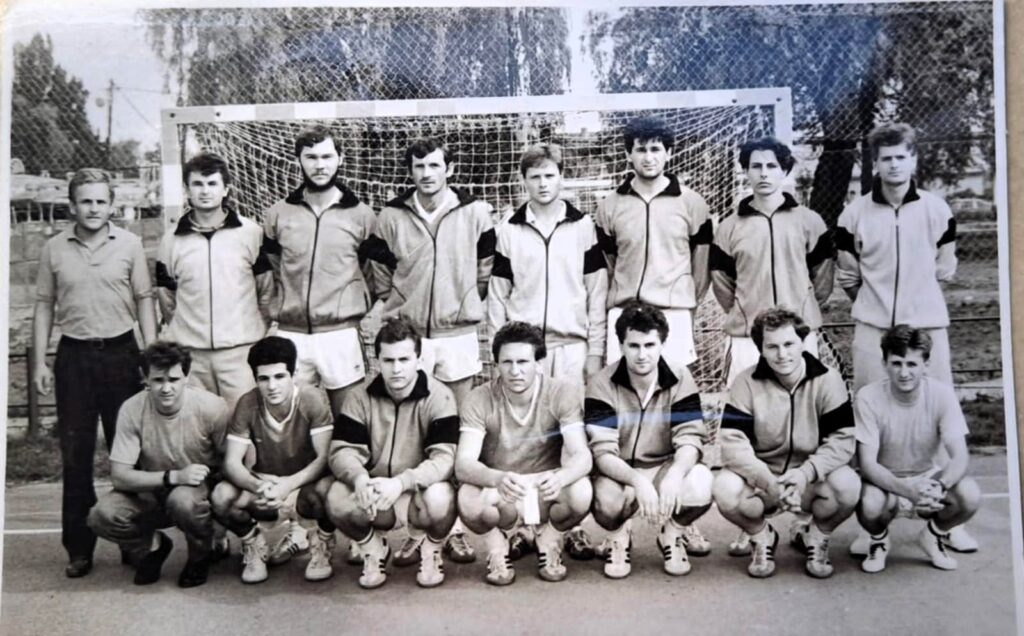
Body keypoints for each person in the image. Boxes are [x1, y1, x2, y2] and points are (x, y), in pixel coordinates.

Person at [836, 122, 977, 552]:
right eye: (886, 159)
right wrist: (877, 309)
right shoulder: (854, 214)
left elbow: (945, 268)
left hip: (927, 327)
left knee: (936, 414)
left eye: (901, 157)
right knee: (869, 417)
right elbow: (848, 275)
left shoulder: (937, 210)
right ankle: (872, 523)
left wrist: (916, 310)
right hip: (873, 329)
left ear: (914, 159)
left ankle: (945, 518)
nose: (894, 165)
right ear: (875, 164)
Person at [367, 136, 496, 564]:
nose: (427, 173)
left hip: (457, 334)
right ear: (410, 171)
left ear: (450, 169)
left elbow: (485, 268)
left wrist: (467, 301)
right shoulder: (391, 215)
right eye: (419, 166)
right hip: (410, 337)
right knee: (415, 431)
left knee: (454, 431)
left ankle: (451, 529)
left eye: (435, 165)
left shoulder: (474, 212)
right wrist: (398, 304)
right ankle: (416, 528)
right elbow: (379, 271)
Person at [33, 167, 158, 578]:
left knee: (130, 455)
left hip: (121, 355)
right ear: (72, 205)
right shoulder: (54, 248)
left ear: (111, 205)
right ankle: (79, 548)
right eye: (85, 201)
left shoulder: (130, 244)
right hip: (74, 358)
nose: (93, 208)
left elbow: (144, 298)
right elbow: (44, 305)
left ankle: (133, 541)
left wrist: (151, 354)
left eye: (101, 201)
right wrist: (40, 361)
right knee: (76, 457)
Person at [487, 143, 607, 561]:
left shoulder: (584, 226)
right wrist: (499, 353)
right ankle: (525, 524)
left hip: (571, 345)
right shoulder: (508, 229)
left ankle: (570, 526)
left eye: (550, 175)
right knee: (526, 438)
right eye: (534, 176)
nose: (542, 183)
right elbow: (497, 296)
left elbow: (597, 292)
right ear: (524, 181)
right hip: (524, 351)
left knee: (570, 437)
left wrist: (595, 351)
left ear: (562, 177)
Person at [713, 308, 860, 579]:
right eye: (772, 347)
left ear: (802, 342)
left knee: (848, 485)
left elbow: (842, 440)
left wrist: (805, 474)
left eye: (789, 344)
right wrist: (767, 480)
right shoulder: (745, 382)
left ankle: (815, 535)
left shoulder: (828, 379)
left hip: (808, 479)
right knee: (724, 488)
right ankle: (761, 536)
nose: (782, 354)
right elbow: (733, 444)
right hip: (764, 479)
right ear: (761, 349)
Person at [455, 322, 593, 585]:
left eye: (523, 362)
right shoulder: (478, 398)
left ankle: (549, 540)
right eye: (507, 362)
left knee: (581, 491)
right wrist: (497, 478)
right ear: (496, 364)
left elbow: (582, 456)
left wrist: (561, 478)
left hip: (545, 485)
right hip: (504, 486)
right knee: (468, 497)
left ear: (539, 363)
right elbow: (463, 464)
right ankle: (497, 547)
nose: (515, 371)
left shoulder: (561, 392)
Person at [326, 318, 460, 589]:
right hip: (375, 491)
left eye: (404, 359)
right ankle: (373, 549)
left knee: (442, 496)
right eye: (388, 360)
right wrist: (359, 478)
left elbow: (444, 459)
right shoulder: (359, 397)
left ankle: (431, 549)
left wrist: (401, 482)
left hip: (417, 491)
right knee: (337, 497)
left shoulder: (441, 397)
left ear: (418, 359)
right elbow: (341, 451)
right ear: (377, 361)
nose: (396, 369)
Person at [584, 302, 712, 579]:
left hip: (662, 466)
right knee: (605, 501)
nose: (642, 355)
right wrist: (637, 481)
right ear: (621, 346)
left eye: (650, 345)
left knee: (702, 482)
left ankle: (672, 534)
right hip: (619, 471)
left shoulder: (680, 376)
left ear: (662, 344)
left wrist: (674, 475)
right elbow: (602, 452)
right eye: (634, 346)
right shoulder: (601, 383)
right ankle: (619, 537)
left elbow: (690, 437)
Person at [87, 342, 229, 588]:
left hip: (198, 489)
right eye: (158, 380)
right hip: (155, 485)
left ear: (186, 377)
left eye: (173, 379)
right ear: (145, 379)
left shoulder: (211, 406)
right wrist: (173, 477)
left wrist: (219, 510)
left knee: (183, 501)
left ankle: (201, 554)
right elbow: (120, 476)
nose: (166, 388)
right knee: (101, 515)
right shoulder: (132, 409)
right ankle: (153, 546)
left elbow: (231, 461)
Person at [261, 125, 379, 417]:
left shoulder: (362, 215)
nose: (319, 165)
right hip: (291, 334)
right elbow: (274, 271)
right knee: (292, 420)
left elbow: (372, 275)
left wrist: (351, 306)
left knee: (349, 417)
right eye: (311, 157)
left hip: (341, 334)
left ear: (340, 158)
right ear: (298, 160)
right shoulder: (277, 214)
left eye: (327, 156)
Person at [854, 325, 980, 573]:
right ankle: (878, 540)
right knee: (869, 503)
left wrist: (939, 486)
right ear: (884, 363)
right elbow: (867, 464)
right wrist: (909, 492)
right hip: (885, 482)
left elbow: (960, 456)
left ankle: (933, 536)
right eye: (896, 363)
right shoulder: (867, 397)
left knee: (969, 495)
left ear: (926, 364)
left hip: (927, 478)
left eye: (912, 364)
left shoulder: (942, 395)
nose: (904, 373)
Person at [210, 336, 336, 584]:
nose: (272, 386)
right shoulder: (248, 403)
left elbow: (324, 458)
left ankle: (320, 544)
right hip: (266, 486)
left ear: (294, 374)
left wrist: (288, 485)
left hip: (302, 485)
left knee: (329, 490)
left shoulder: (312, 399)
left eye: (279, 376)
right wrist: (259, 486)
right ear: (255, 379)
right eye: (263, 379)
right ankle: (253, 544)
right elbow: (232, 463)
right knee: (221, 496)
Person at [711, 136, 833, 387]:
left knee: (801, 401)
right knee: (745, 403)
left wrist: (802, 308)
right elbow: (722, 283)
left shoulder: (809, 222)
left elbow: (822, 277)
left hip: (798, 335)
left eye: (771, 166)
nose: (764, 173)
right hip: (747, 336)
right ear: (746, 171)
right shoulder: (729, 227)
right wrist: (745, 310)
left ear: (784, 170)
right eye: (756, 166)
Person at [155, 152, 273, 409]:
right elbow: (166, 296)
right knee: (199, 422)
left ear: (225, 189)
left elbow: (266, 291)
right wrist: (188, 333)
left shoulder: (251, 234)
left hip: (240, 352)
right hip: (191, 354)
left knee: (243, 421)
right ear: (187, 190)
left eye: (212, 184)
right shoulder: (171, 240)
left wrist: (251, 330)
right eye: (197, 184)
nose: (205, 191)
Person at [595, 115, 712, 371]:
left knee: (676, 388)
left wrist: (685, 301)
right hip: (624, 313)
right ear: (628, 154)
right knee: (624, 390)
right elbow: (608, 265)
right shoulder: (609, 206)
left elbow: (701, 264)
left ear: (668, 153)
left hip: (674, 312)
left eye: (656, 149)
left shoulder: (692, 203)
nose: (648, 158)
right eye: (641, 150)